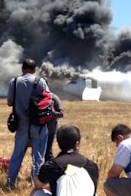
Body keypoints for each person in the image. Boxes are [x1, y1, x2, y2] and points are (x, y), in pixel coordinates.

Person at [7, 59, 51, 188]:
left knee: (17, 155)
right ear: (34, 69)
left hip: (21, 125)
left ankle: (10, 183)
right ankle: (35, 184)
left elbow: (9, 102)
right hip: (38, 125)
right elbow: (48, 100)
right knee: (38, 157)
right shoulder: (41, 82)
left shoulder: (14, 82)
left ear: (22, 69)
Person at [31, 125, 99, 196]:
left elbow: (38, 185)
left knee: (37, 192)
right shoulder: (92, 165)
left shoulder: (50, 166)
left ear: (58, 144)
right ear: (77, 144)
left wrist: (53, 186)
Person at [44, 92, 65, 161]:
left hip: (50, 129)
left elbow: (61, 114)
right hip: (38, 130)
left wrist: (51, 113)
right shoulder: (37, 96)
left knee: (48, 151)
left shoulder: (54, 98)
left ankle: (51, 167)